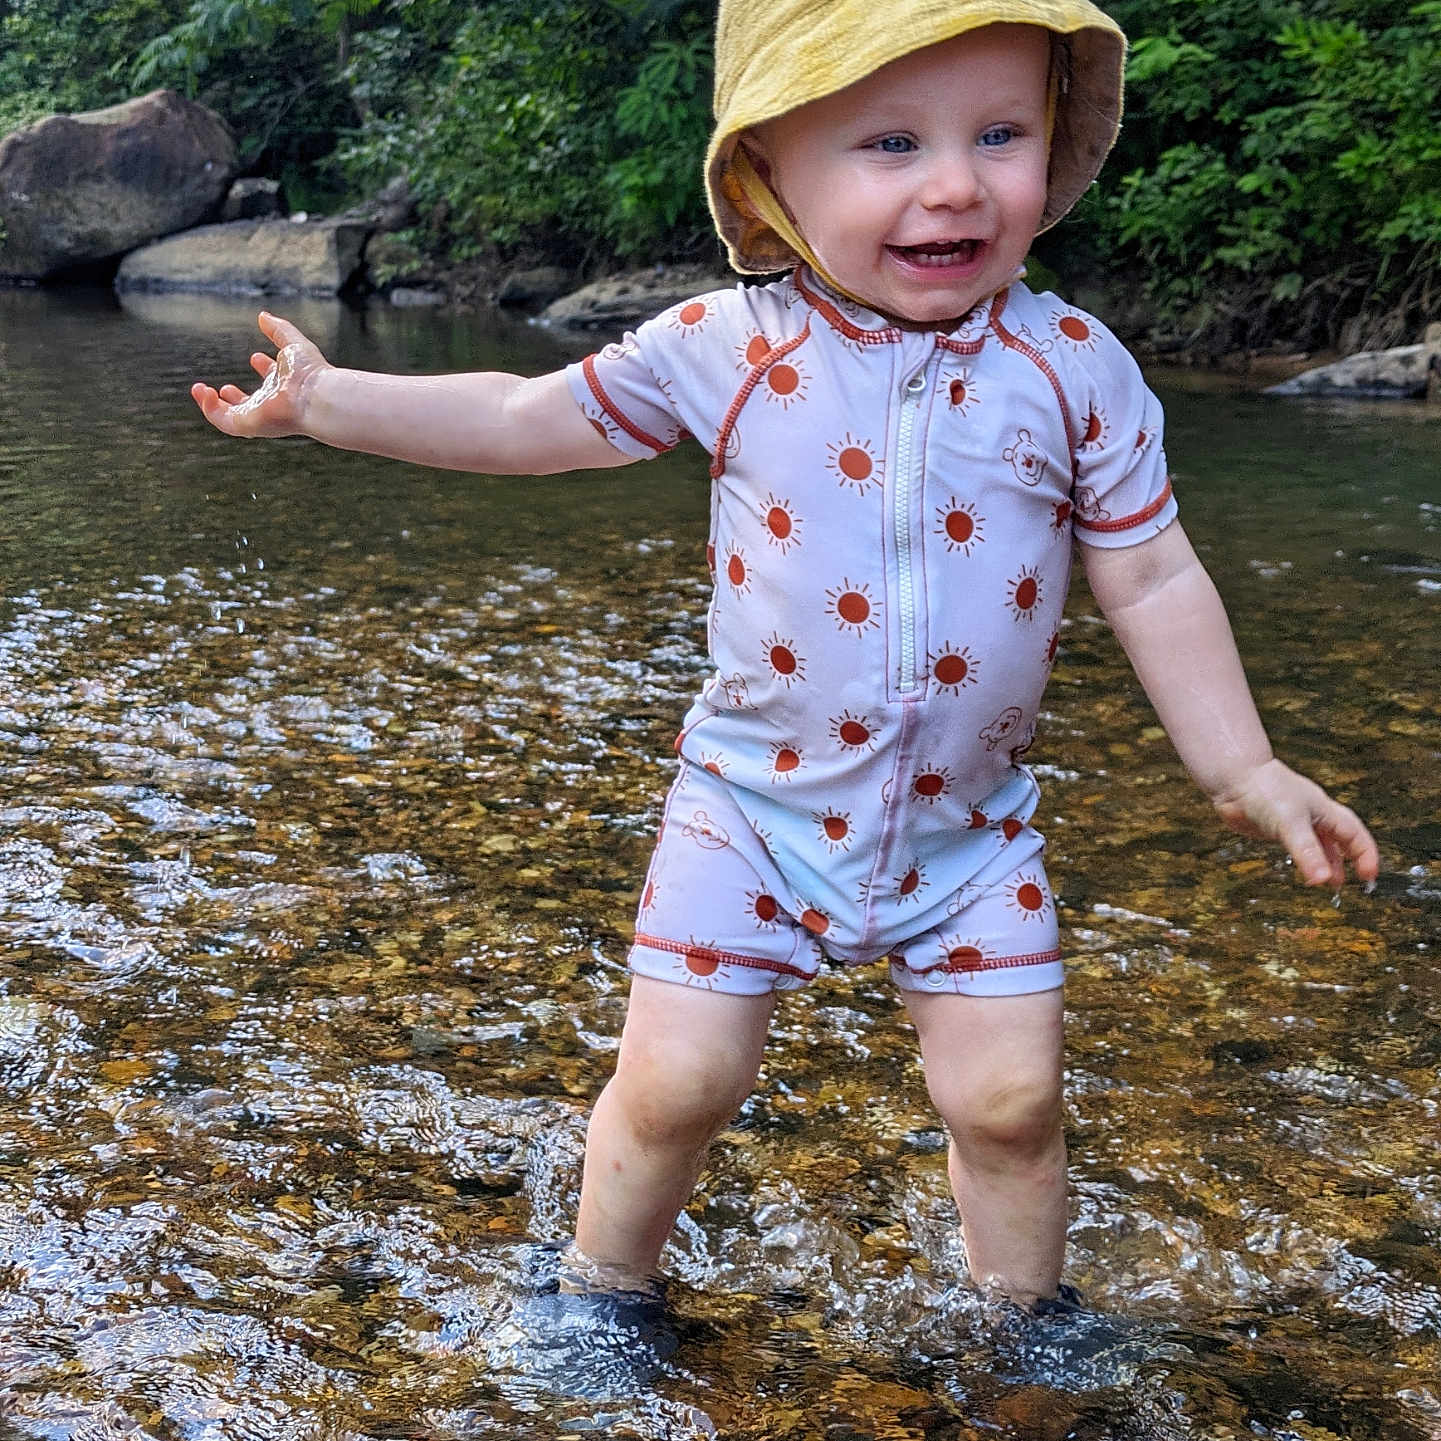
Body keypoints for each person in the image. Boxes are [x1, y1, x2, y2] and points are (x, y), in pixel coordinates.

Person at [192, 0, 1379, 1339]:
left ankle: (1022, 1324)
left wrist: (1242, 763)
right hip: (748, 811)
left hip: (968, 834)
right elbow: (531, 417)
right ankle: (601, 1290)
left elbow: (1153, 574)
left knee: (1011, 1103)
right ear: (765, 174)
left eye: (1000, 133)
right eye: (888, 142)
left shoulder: (1073, 370)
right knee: (677, 1082)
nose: (954, 183)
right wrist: (332, 401)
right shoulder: (727, 347)